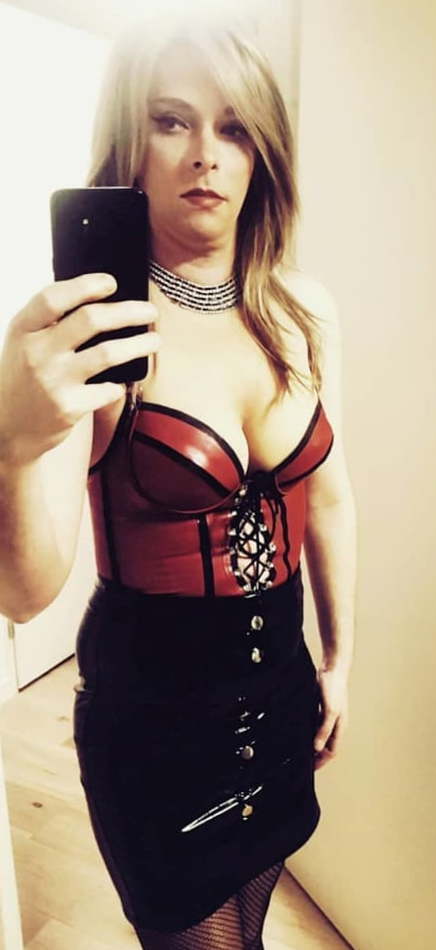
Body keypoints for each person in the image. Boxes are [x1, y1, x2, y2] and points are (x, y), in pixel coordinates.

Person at [0, 15, 355, 949]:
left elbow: (330, 496)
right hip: (152, 722)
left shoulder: (302, 310)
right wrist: (16, 446)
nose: (206, 154)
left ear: (263, 151)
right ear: (132, 138)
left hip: (279, 692)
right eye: (172, 121)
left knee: (250, 917)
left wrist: (338, 657)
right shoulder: (98, 332)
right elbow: (26, 593)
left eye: (234, 127)